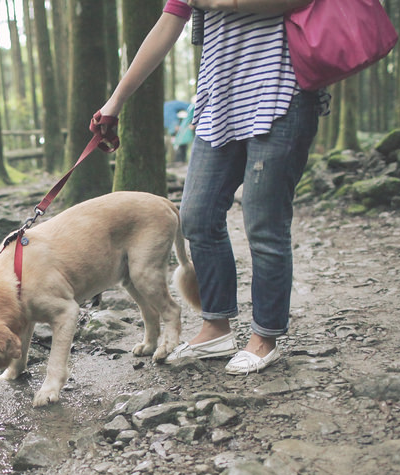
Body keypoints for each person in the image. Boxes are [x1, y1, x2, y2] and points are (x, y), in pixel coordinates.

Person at [94, 0, 328, 374]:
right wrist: (116, 101)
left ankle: (265, 337)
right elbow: (168, 24)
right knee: (197, 216)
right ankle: (216, 327)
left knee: (264, 222)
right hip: (218, 100)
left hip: (283, 91)